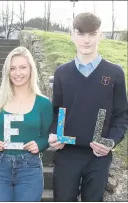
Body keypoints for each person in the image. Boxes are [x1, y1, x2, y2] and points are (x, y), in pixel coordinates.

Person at [48, 12, 128, 201]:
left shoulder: (115, 73)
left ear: (100, 35)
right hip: (67, 154)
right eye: (81, 33)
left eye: (92, 34)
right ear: (72, 35)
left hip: (98, 156)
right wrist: (54, 134)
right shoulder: (62, 73)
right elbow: (58, 110)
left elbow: (122, 115)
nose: (86, 40)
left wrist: (110, 141)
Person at [0, 46, 53, 201]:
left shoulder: (43, 103)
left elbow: (47, 136)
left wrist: (39, 145)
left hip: (30, 168)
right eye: (13, 68)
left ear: (31, 69)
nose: (17, 73)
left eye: (22, 67)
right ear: (7, 71)